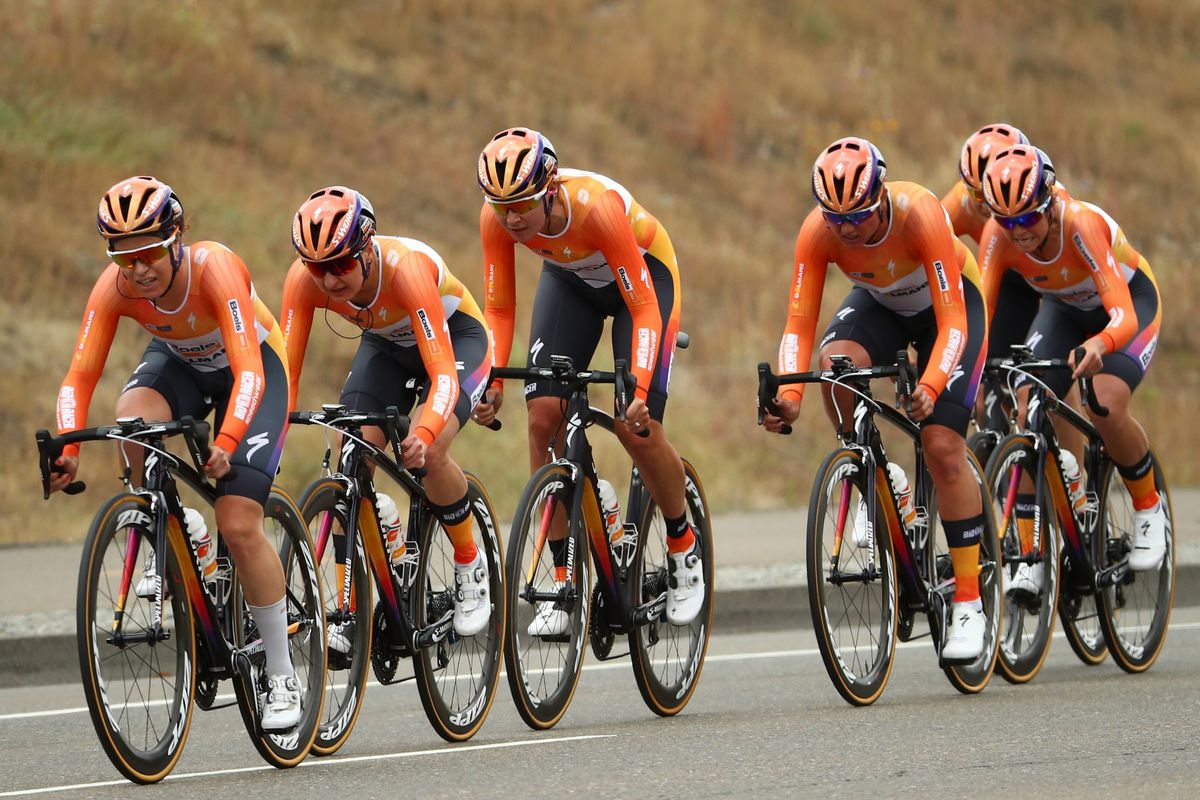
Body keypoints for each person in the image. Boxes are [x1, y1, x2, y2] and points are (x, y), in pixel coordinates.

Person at [51, 176, 301, 730]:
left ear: (177, 237)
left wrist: (228, 442)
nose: (138, 270)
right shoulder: (114, 287)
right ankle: (179, 529)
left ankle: (282, 673)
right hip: (181, 362)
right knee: (130, 426)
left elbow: (250, 372)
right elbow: (79, 374)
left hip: (253, 370)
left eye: (149, 253)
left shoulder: (214, 268)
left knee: (239, 521)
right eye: (123, 255)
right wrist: (67, 445)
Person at [762, 137, 990, 660]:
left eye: (859, 215)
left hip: (950, 304)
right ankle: (878, 478)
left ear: (881, 193)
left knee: (942, 447)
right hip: (881, 302)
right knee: (835, 364)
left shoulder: (920, 213)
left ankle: (970, 603)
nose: (849, 230)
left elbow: (953, 320)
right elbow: (799, 324)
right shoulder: (820, 231)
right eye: (836, 219)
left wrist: (931, 385)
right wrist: (790, 394)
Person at [470, 127, 703, 632]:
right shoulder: (497, 220)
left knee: (634, 426)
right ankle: (560, 575)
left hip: (642, 279)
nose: (511, 220)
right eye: (500, 206)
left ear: (549, 188)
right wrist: (488, 380)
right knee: (542, 419)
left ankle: (684, 545)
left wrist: (639, 388)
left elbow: (643, 308)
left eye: (521, 206)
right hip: (571, 279)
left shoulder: (594, 208)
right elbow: (498, 306)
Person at [281, 186, 492, 639]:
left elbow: (442, 374)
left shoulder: (406, 270)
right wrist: (271, 435)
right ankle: (351, 609)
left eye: (340, 264)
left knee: (429, 450)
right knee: (352, 455)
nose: (330, 280)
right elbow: (285, 376)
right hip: (388, 345)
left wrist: (428, 430)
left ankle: (470, 563)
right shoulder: (303, 283)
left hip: (455, 340)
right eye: (318, 268)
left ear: (367, 248)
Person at [979, 145, 1166, 581]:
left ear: (1047, 203)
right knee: (1027, 404)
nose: (1018, 232)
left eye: (1027, 218)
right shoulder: (997, 235)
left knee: (1104, 402)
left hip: (1126, 308)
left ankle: (1147, 505)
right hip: (1063, 309)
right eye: (1007, 222)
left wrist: (1101, 344)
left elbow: (1122, 313)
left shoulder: (1078, 223)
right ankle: (1033, 550)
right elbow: (982, 316)